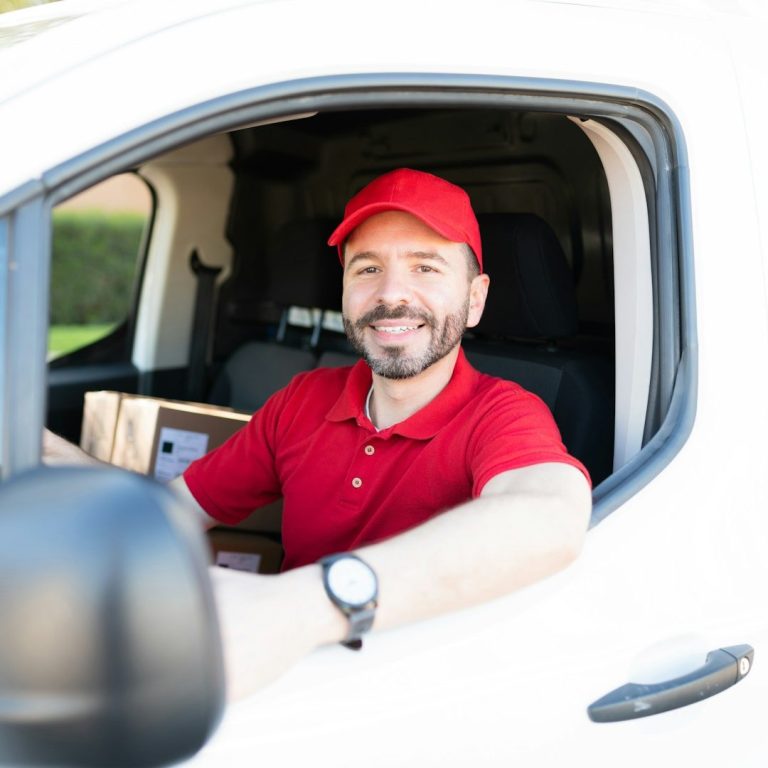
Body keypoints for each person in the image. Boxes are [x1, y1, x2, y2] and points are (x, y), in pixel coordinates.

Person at [45, 168, 592, 700]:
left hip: (414, 697)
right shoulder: (303, 400)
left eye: (425, 267)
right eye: (367, 268)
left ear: (474, 299)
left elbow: (550, 516)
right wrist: (58, 460)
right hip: (282, 678)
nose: (392, 294)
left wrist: (311, 602)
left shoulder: (502, 414)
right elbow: (173, 511)